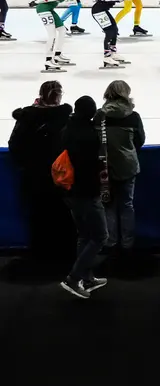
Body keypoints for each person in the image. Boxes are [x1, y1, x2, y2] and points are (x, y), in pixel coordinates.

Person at [9, 80, 74, 259]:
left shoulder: (26, 117)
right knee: (61, 214)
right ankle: (63, 254)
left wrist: (27, 164)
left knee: (37, 215)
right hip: (60, 177)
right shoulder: (65, 118)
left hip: (34, 176)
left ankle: (40, 254)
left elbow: (14, 146)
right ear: (59, 96)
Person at [59, 96, 109, 299]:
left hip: (70, 190)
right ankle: (73, 277)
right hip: (86, 191)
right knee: (100, 236)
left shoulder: (68, 128)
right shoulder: (88, 136)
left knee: (85, 235)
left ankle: (87, 277)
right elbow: (94, 162)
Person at [99, 80, 145, 252]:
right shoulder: (133, 116)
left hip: (105, 167)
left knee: (108, 204)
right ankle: (128, 243)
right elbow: (140, 140)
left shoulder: (99, 116)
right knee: (127, 204)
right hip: (128, 166)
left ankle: (110, 242)